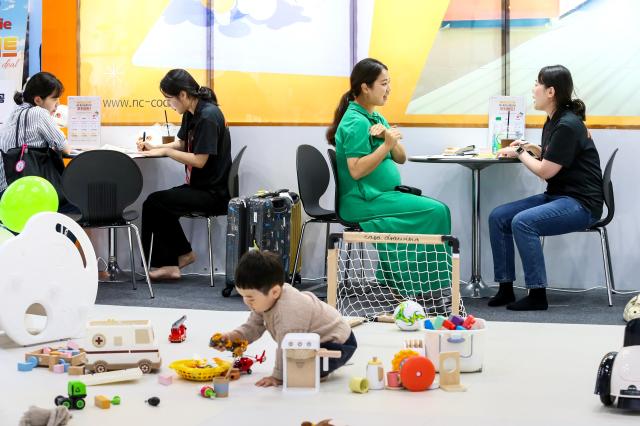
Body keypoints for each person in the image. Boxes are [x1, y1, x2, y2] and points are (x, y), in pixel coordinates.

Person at [327, 57, 451, 298]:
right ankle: (423, 288)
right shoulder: (355, 122)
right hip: (363, 201)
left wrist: (388, 137)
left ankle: (409, 285)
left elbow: (401, 157)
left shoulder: (376, 118)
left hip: (382, 196)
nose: (389, 89)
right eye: (383, 84)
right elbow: (356, 170)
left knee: (438, 210)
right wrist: (386, 145)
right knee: (435, 211)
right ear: (365, 87)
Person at [488, 65, 603, 311]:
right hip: (559, 196)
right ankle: (506, 289)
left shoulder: (567, 125)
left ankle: (537, 294)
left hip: (581, 204)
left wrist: (519, 151)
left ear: (551, 91)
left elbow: (545, 172)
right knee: (498, 217)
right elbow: (553, 159)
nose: (533, 89)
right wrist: (531, 148)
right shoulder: (553, 121)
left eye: (537, 83)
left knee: (522, 222)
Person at [138, 69, 231, 281]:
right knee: (155, 204)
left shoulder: (208, 116)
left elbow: (199, 160)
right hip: (201, 187)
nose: (169, 104)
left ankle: (172, 262)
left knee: (155, 203)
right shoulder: (192, 112)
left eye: (169, 99)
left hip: (213, 193)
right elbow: (181, 142)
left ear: (182, 95)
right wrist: (153, 147)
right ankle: (179, 258)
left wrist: (167, 152)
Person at [213, 250, 356, 387]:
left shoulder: (289, 312)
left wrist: (277, 376)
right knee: (296, 363)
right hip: (309, 339)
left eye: (250, 297)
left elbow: (286, 346)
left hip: (337, 343)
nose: (246, 302)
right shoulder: (264, 302)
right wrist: (232, 338)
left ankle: (320, 372)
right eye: (242, 295)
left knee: (298, 370)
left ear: (274, 291)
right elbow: (251, 328)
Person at [0, 72, 75, 212]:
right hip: (27, 195)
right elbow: (65, 148)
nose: (58, 104)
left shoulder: (16, 110)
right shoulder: (38, 113)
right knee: (74, 205)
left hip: (7, 191)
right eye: (54, 99)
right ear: (38, 100)